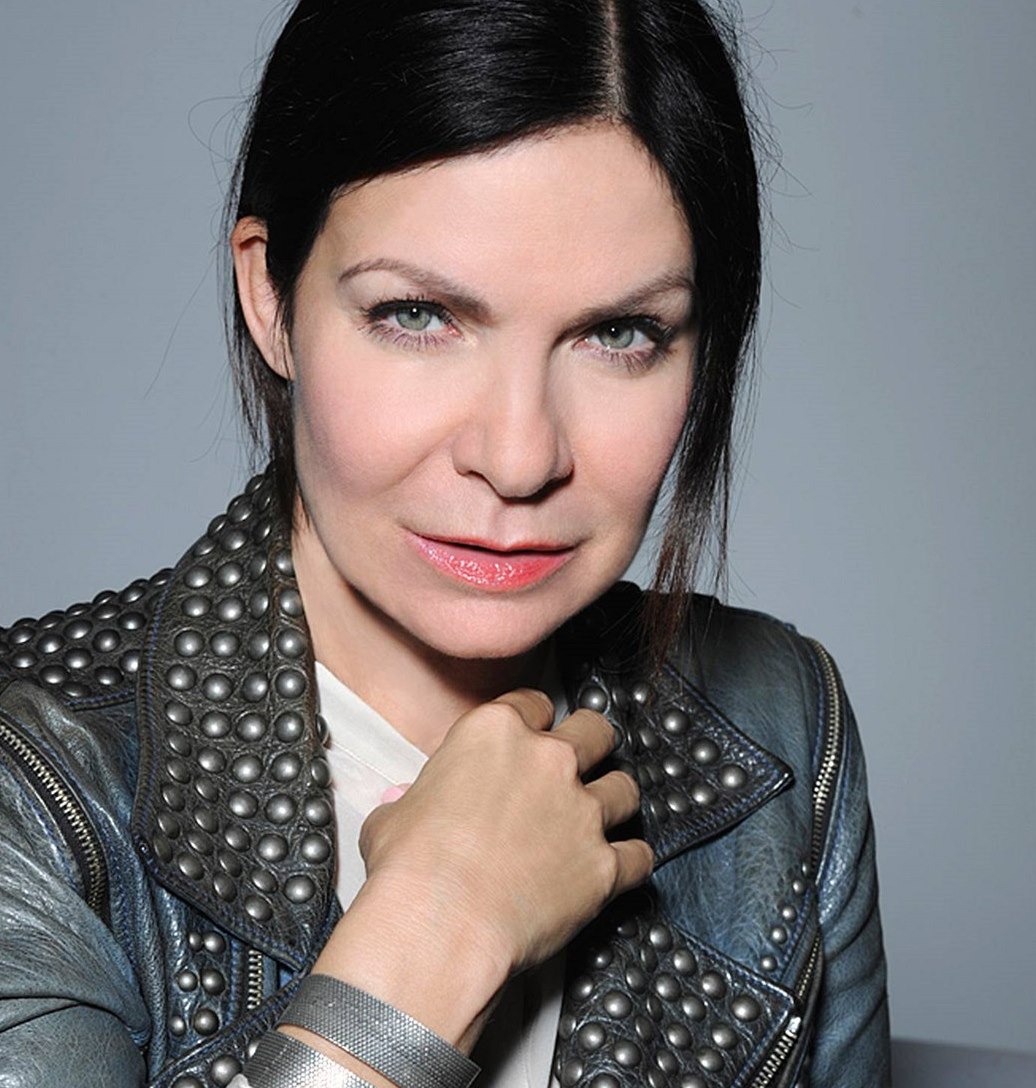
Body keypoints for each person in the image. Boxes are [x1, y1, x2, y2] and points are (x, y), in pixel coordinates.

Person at [0, 1, 889, 1086]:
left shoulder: (781, 720)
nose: (518, 458)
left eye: (620, 333)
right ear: (270, 297)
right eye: (419, 314)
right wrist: (438, 931)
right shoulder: (33, 780)